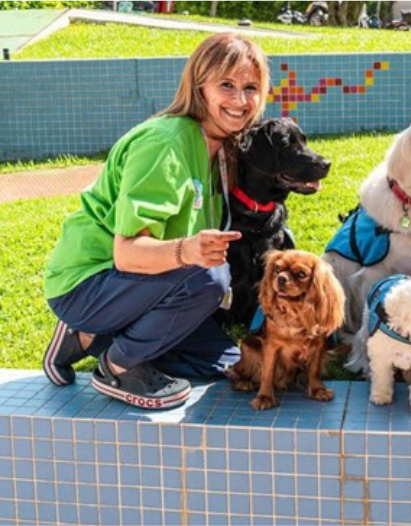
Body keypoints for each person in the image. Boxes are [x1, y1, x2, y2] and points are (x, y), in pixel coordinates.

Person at [42, 33, 270, 410]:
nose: (240, 100)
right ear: (199, 86)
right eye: (226, 85)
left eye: (251, 87)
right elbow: (127, 255)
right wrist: (190, 250)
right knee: (209, 277)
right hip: (91, 281)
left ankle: (88, 337)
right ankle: (115, 366)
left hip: (146, 285)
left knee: (229, 363)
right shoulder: (165, 143)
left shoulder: (222, 149)